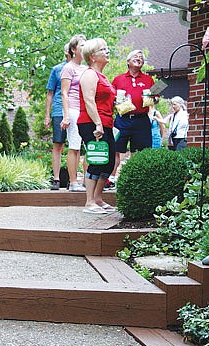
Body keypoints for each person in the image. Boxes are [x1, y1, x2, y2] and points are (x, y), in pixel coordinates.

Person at [77, 38, 116, 214]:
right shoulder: (89, 74)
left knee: (108, 164)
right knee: (96, 161)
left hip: (106, 123)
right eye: (103, 49)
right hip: (91, 123)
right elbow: (89, 100)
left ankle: (98, 199)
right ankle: (89, 202)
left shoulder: (103, 77)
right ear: (93, 56)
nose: (107, 51)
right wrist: (98, 124)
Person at [111, 49, 155, 180]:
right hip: (122, 119)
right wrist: (116, 102)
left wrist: (154, 99)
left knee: (140, 151)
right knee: (115, 149)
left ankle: (136, 178)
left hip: (141, 120)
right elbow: (111, 98)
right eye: (135, 56)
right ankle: (111, 179)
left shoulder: (148, 79)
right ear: (128, 61)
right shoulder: (118, 79)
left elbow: (155, 98)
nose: (139, 58)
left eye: (141, 57)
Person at [60, 34, 88, 192]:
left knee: (89, 146)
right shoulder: (68, 68)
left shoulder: (86, 69)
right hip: (73, 110)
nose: (84, 48)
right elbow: (64, 93)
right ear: (73, 49)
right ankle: (73, 182)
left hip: (86, 110)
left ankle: (87, 180)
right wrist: (66, 116)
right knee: (75, 146)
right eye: (82, 45)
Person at [44, 43, 71, 190]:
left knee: (74, 145)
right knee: (58, 144)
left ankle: (72, 179)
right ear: (66, 51)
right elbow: (50, 94)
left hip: (75, 111)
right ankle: (56, 179)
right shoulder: (56, 69)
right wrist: (47, 116)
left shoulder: (81, 69)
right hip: (59, 112)